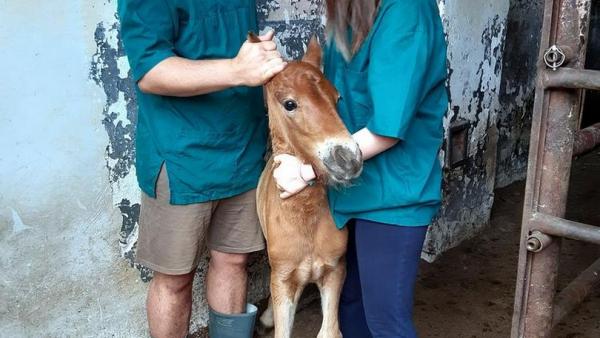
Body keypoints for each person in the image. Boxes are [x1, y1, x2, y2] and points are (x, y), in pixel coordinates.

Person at [273, 0, 448, 337]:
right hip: (351, 191)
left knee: (385, 321)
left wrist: (306, 172)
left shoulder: (405, 12)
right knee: (352, 309)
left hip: (393, 195)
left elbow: (386, 129)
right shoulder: (351, 13)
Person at [117, 0, 286, 337]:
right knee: (175, 278)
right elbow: (150, 71)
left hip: (242, 145)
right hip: (182, 154)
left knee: (234, 261)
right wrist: (238, 70)